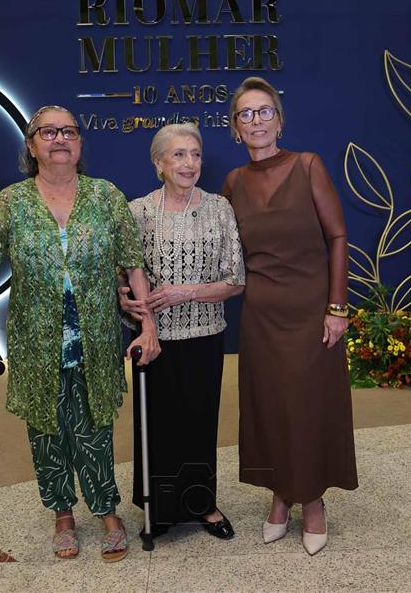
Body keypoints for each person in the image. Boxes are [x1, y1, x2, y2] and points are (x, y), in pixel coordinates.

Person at [0, 105, 160, 563]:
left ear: (80, 143)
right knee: (47, 429)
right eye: (48, 132)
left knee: (95, 426)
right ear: (31, 145)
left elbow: (133, 264)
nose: (59, 139)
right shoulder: (9, 202)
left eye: (69, 131)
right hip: (35, 339)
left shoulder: (105, 195)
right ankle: (63, 514)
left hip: (95, 335)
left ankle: (107, 511)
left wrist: (148, 324)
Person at [221, 77, 358, 556]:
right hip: (261, 315)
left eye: (264, 111)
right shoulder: (233, 183)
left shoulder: (308, 165)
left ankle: (313, 499)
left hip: (311, 312)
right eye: (246, 114)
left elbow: (337, 236)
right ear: (236, 128)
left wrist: (337, 307)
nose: (256, 121)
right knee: (270, 406)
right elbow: (222, 252)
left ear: (279, 121)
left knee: (308, 405)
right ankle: (280, 494)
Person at [120, 123, 245, 540]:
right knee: (156, 425)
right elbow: (123, 274)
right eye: (178, 155)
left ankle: (203, 504)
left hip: (205, 334)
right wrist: (124, 298)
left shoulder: (219, 208)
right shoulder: (137, 211)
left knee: (198, 423)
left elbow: (235, 280)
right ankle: (158, 509)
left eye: (195, 154)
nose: (189, 163)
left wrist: (185, 292)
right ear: (159, 163)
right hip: (153, 338)